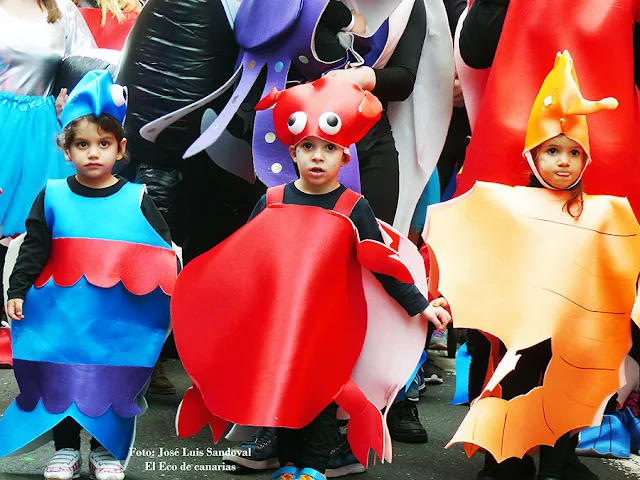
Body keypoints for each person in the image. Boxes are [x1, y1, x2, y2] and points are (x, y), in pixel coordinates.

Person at [169, 76, 451, 480]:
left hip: (329, 328)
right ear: (293, 153)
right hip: (279, 325)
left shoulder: (354, 207)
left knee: (320, 396)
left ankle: (314, 469)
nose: (318, 156)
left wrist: (419, 304)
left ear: (345, 158)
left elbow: (381, 263)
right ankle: (287, 465)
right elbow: (244, 259)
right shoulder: (273, 200)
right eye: (309, 147)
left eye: (329, 148)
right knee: (282, 391)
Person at [426, 50, 636, 480]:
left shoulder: (603, 213)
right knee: (516, 388)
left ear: (586, 160)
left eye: (574, 153)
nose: (563, 160)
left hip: (576, 330)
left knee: (571, 392)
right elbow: (480, 250)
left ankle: (559, 461)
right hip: (523, 331)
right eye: (553, 150)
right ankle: (507, 460)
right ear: (532, 158)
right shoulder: (509, 205)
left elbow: (619, 268)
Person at [0, 70, 176, 480]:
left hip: (114, 317)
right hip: (60, 313)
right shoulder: (53, 195)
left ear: (121, 148)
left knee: (108, 382)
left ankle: (102, 450)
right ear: (66, 151)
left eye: (103, 143)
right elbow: (34, 248)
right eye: (82, 144)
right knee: (60, 377)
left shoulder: (137, 198)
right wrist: (17, 290)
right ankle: (65, 450)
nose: (93, 153)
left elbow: (163, 252)